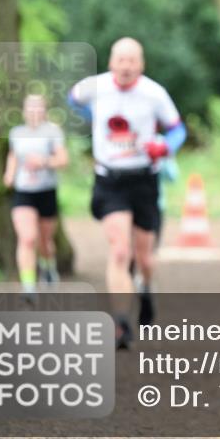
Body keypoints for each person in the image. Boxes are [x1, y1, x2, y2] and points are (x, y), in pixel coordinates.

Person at [68, 37, 186, 348]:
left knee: (144, 257)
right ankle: (120, 323)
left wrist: (165, 146)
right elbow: (71, 99)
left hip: (144, 180)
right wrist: (90, 118)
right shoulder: (95, 87)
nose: (126, 66)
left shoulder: (154, 93)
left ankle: (145, 291)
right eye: (121, 60)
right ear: (111, 62)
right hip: (110, 180)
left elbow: (177, 130)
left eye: (132, 60)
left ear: (141, 64)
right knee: (120, 251)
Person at [3, 94, 68, 300]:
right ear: (24, 110)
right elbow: (13, 155)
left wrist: (44, 162)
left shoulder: (52, 132)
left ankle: (48, 266)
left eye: (38, 107)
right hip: (23, 192)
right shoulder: (16, 133)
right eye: (30, 107)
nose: (34, 111)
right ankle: (29, 286)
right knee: (27, 238)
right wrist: (9, 173)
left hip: (46, 191)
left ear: (44, 110)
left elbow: (63, 160)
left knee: (44, 241)